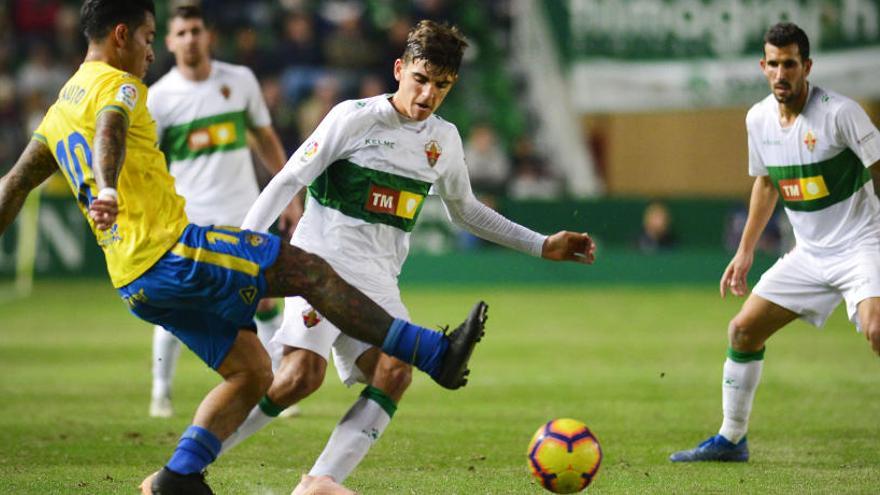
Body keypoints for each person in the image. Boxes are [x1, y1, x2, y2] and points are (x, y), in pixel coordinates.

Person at [0, 2, 489, 494]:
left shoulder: (61, 106)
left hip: (131, 280)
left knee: (253, 371)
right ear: (122, 35)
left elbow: (14, 184)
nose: (152, 51)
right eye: (150, 37)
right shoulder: (119, 85)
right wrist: (107, 187)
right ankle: (431, 351)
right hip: (172, 251)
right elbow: (111, 127)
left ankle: (176, 479)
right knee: (307, 269)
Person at [219, 20, 597, 494]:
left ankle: (320, 483)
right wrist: (241, 252)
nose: (427, 94)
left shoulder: (444, 141)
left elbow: (467, 212)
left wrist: (541, 244)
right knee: (299, 377)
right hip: (321, 266)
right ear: (400, 70)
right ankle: (187, 467)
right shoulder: (353, 118)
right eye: (420, 79)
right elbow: (287, 180)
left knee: (396, 371)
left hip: (378, 280)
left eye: (441, 85)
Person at [669, 22, 880, 463]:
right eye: (773, 64)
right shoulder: (757, 119)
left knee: (877, 329)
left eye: (790, 64)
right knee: (743, 331)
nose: (781, 73)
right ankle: (731, 439)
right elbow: (766, 184)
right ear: (762, 66)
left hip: (862, 244)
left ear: (807, 66)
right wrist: (745, 251)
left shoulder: (840, 113)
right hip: (809, 255)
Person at [145, 4, 300, 420]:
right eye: (182, 32)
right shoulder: (158, 99)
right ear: (170, 41)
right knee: (179, 304)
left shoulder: (240, 80)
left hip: (244, 214)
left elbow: (264, 138)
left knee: (265, 299)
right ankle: (161, 391)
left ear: (208, 35)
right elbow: (150, 164)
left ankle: (277, 392)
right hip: (190, 222)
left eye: (197, 30)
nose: (191, 38)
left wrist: (288, 194)